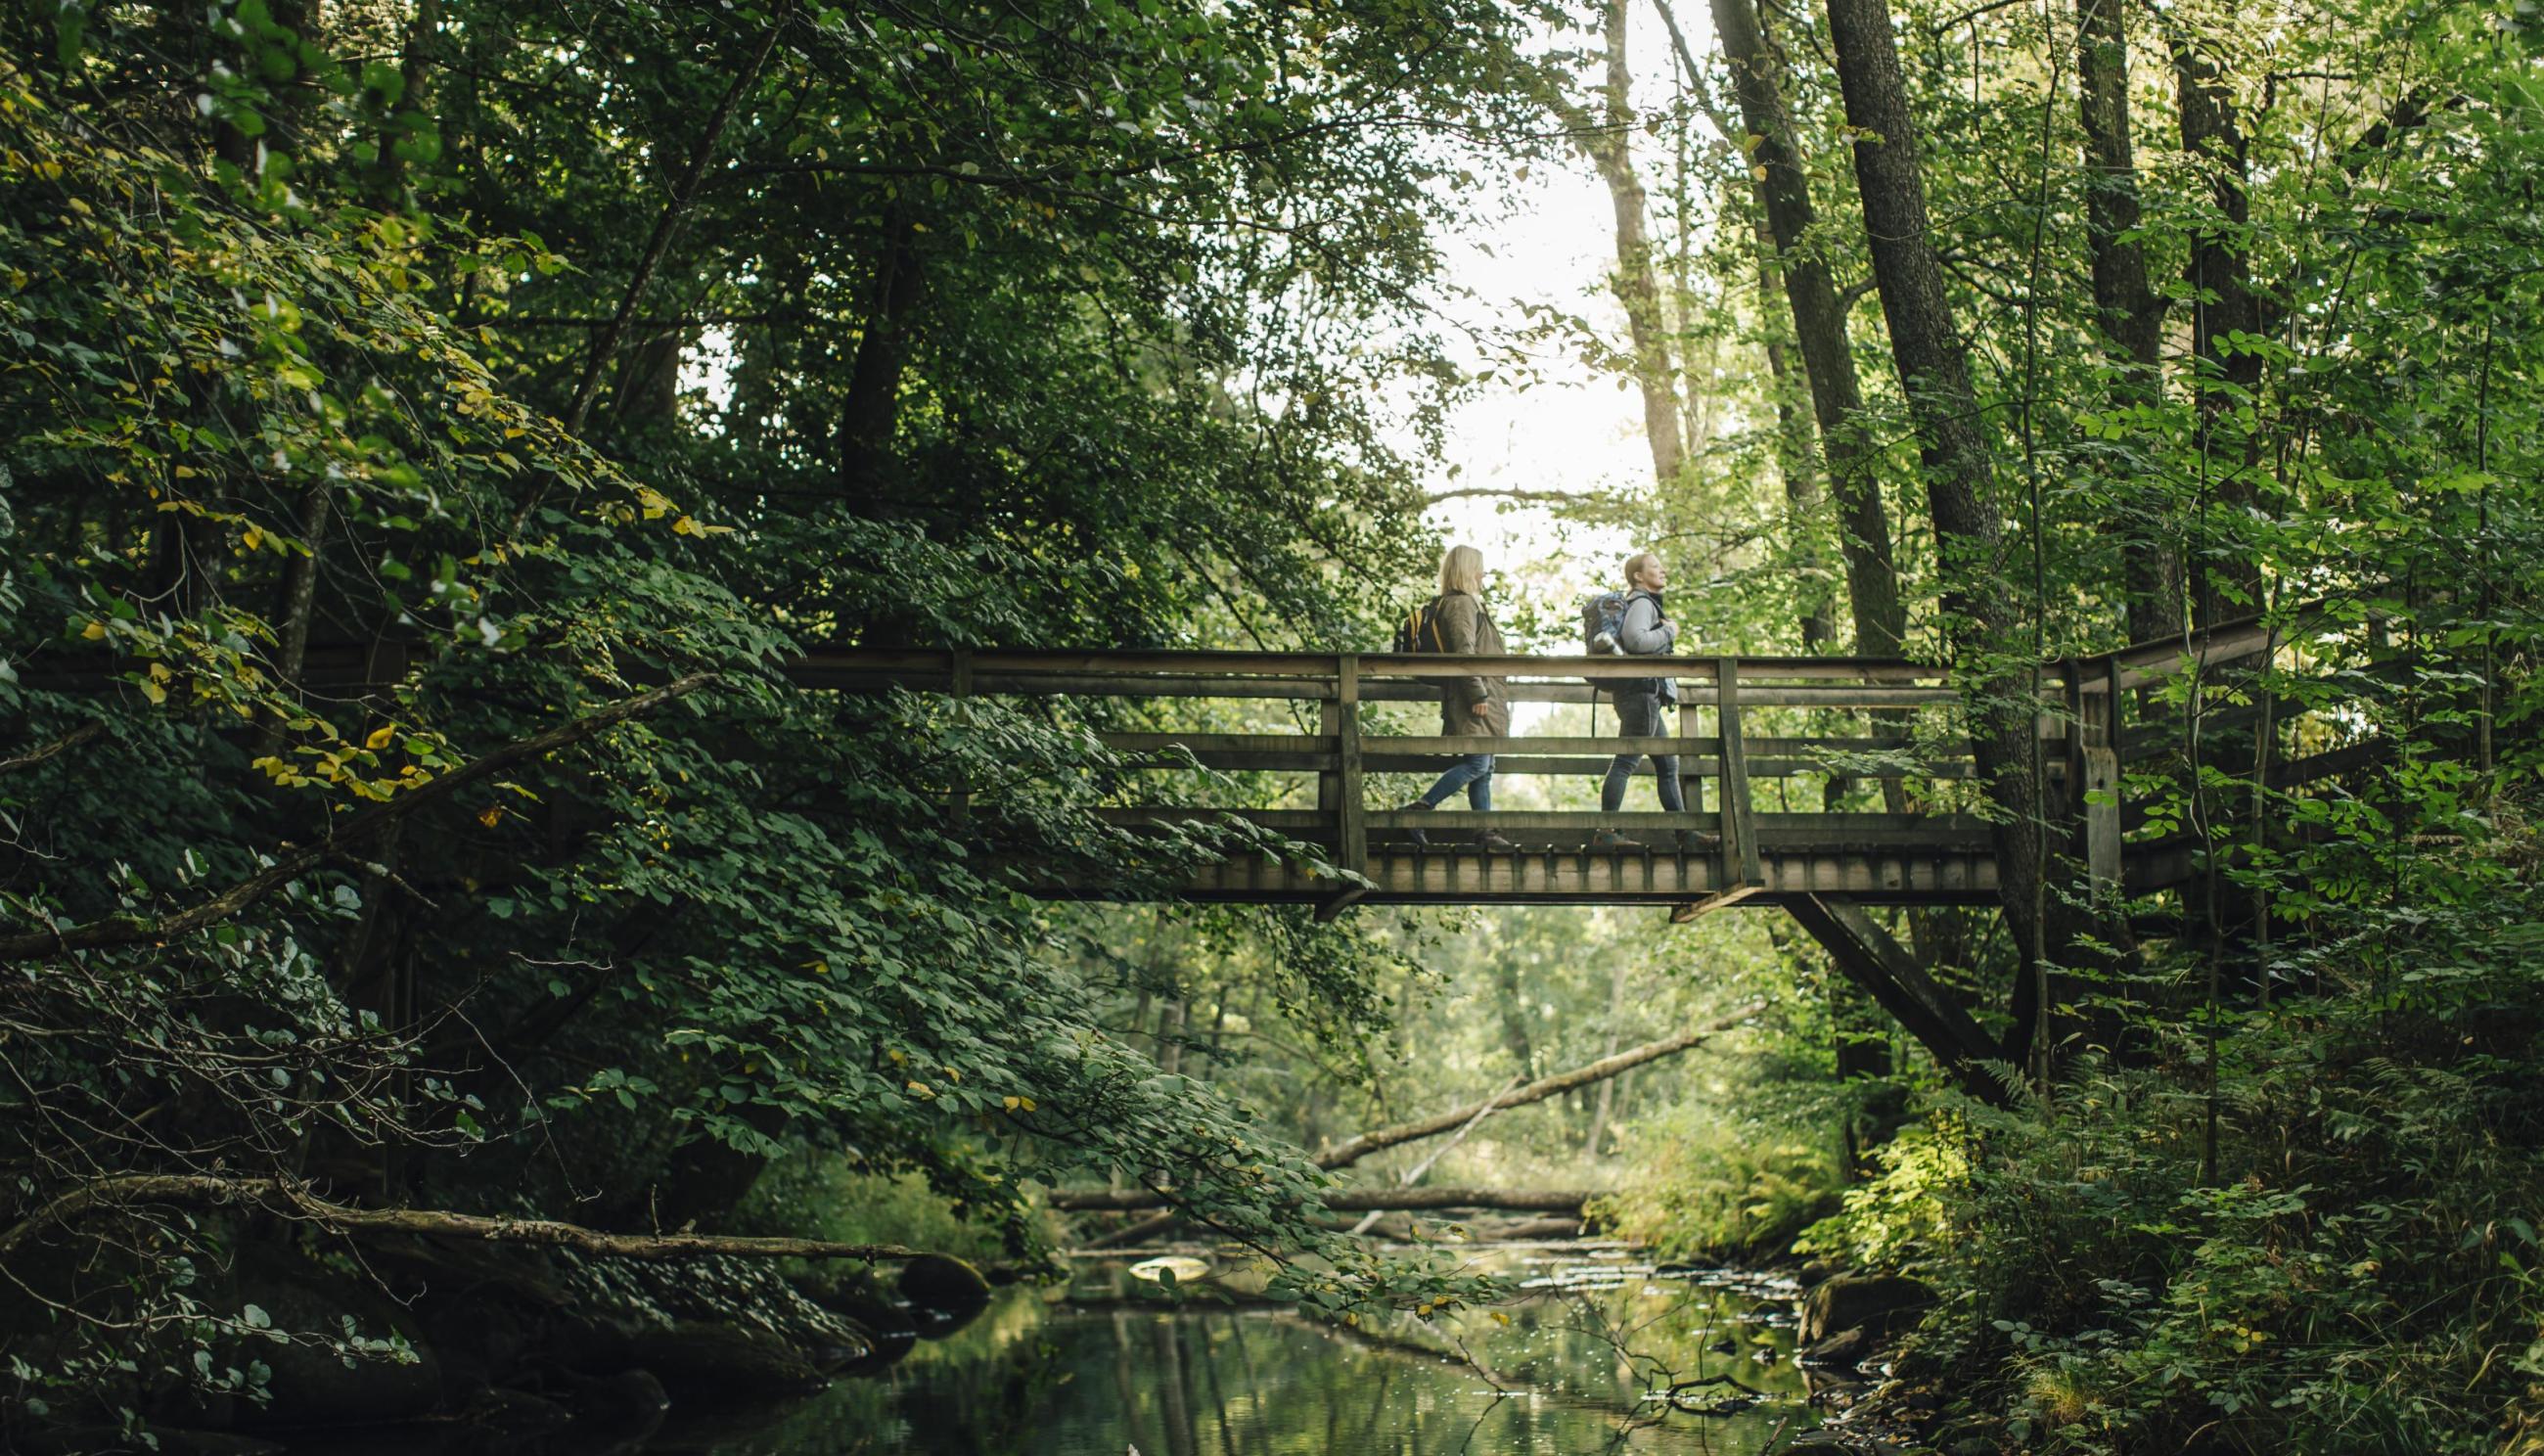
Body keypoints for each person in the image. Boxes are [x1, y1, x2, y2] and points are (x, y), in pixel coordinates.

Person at [1401, 545, 1517, 850]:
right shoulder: (1461, 604)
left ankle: (1484, 832)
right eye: (1479, 567)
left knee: (1484, 768)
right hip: (1473, 697)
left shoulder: (1468, 603)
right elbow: (1464, 651)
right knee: (1478, 764)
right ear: (1467, 570)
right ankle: (1419, 810)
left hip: (1482, 694)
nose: (1483, 574)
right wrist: (1478, 693)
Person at [1592, 551, 1694, 850]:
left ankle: (1685, 835)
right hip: (1641, 694)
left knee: (1668, 764)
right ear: (1638, 576)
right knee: (1626, 761)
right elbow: (1636, 641)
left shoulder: (1643, 603)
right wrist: (1669, 630)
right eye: (1655, 567)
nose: (1663, 570)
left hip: (1641, 695)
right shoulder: (1642, 603)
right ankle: (1606, 831)